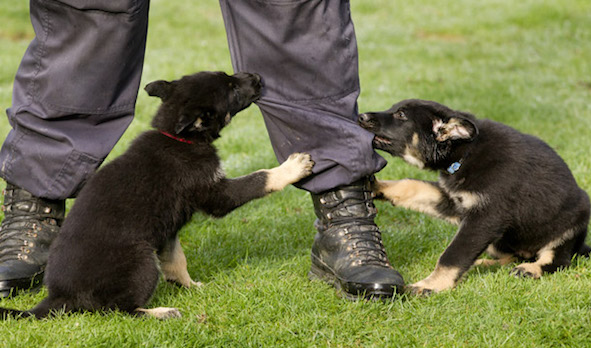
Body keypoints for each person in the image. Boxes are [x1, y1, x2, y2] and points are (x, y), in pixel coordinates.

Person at [0, 0, 404, 299]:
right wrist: (276, 176)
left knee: (291, 8)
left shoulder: (157, 152)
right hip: (117, 262)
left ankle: (341, 203)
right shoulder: (184, 157)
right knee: (90, 6)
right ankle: (37, 197)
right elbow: (218, 200)